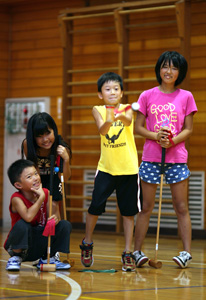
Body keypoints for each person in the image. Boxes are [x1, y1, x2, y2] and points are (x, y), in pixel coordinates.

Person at [133, 51, 197, 269]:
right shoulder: (147, 95)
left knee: (181, 206)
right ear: (159, 69)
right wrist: (156, 136)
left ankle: (186, 253)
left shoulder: (186, 96)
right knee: (146, 207)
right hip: (151, 157)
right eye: (165, 66)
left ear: (180, 72)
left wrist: (173, 140)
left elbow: (188, 129)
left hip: (177, 158)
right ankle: (137, 251)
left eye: (174, 67)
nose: (169, 71)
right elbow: (138, 127)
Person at [80, 72, 141, 272]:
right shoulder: (97, 109)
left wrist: (119, 114)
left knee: (128, 212)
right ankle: (87, 243)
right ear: (100, 94)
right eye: (108, 89)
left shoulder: (128, 108)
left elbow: (128, 121)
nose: (112, 92)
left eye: (116, 89)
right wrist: (109, 116)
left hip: (129, 169)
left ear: (122, 92)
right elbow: (103, 130)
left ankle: (127, 252)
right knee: (95, 205)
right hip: (106, 168)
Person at [4, 159, 72, 271]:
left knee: (64, 225)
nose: (35, 178)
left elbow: (55, 218)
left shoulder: (46, 192)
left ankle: (48, 258)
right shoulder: (16, 198)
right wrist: (40, 198)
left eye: (36, 173)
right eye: (29, 177)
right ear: (18, 185)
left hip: (39, 245)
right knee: (22, 224)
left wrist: (55, 219)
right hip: (22, 247)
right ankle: (15, 258)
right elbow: (28, 217)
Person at [21, 112, 72, 220]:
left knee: (53, 206)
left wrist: (66, 159)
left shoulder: (61, 148)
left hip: (54, 178)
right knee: (36, 206)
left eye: (48, 133)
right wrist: (38, 189)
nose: (45, 140)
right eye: (39, 136)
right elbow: (33, 169)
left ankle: (54, 234)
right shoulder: (28, 145)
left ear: (54, 130)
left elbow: (65, 178)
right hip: (37, 178)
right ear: (33, 137)